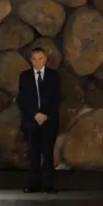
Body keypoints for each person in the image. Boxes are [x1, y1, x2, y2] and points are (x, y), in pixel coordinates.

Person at [16, 48, 61, 193]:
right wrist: (34, 114)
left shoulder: (54, 77)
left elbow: (57, 98)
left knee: (48, 153)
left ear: (46, 60)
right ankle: (33, 183)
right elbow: (22, 99)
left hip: (49, 121)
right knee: (33, 153)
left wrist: (46, 114)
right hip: (31, 120)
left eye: (40, 58)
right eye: (34, 59)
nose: (37, 62)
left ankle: (49, 184)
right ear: (30, 61)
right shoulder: (25, 76)